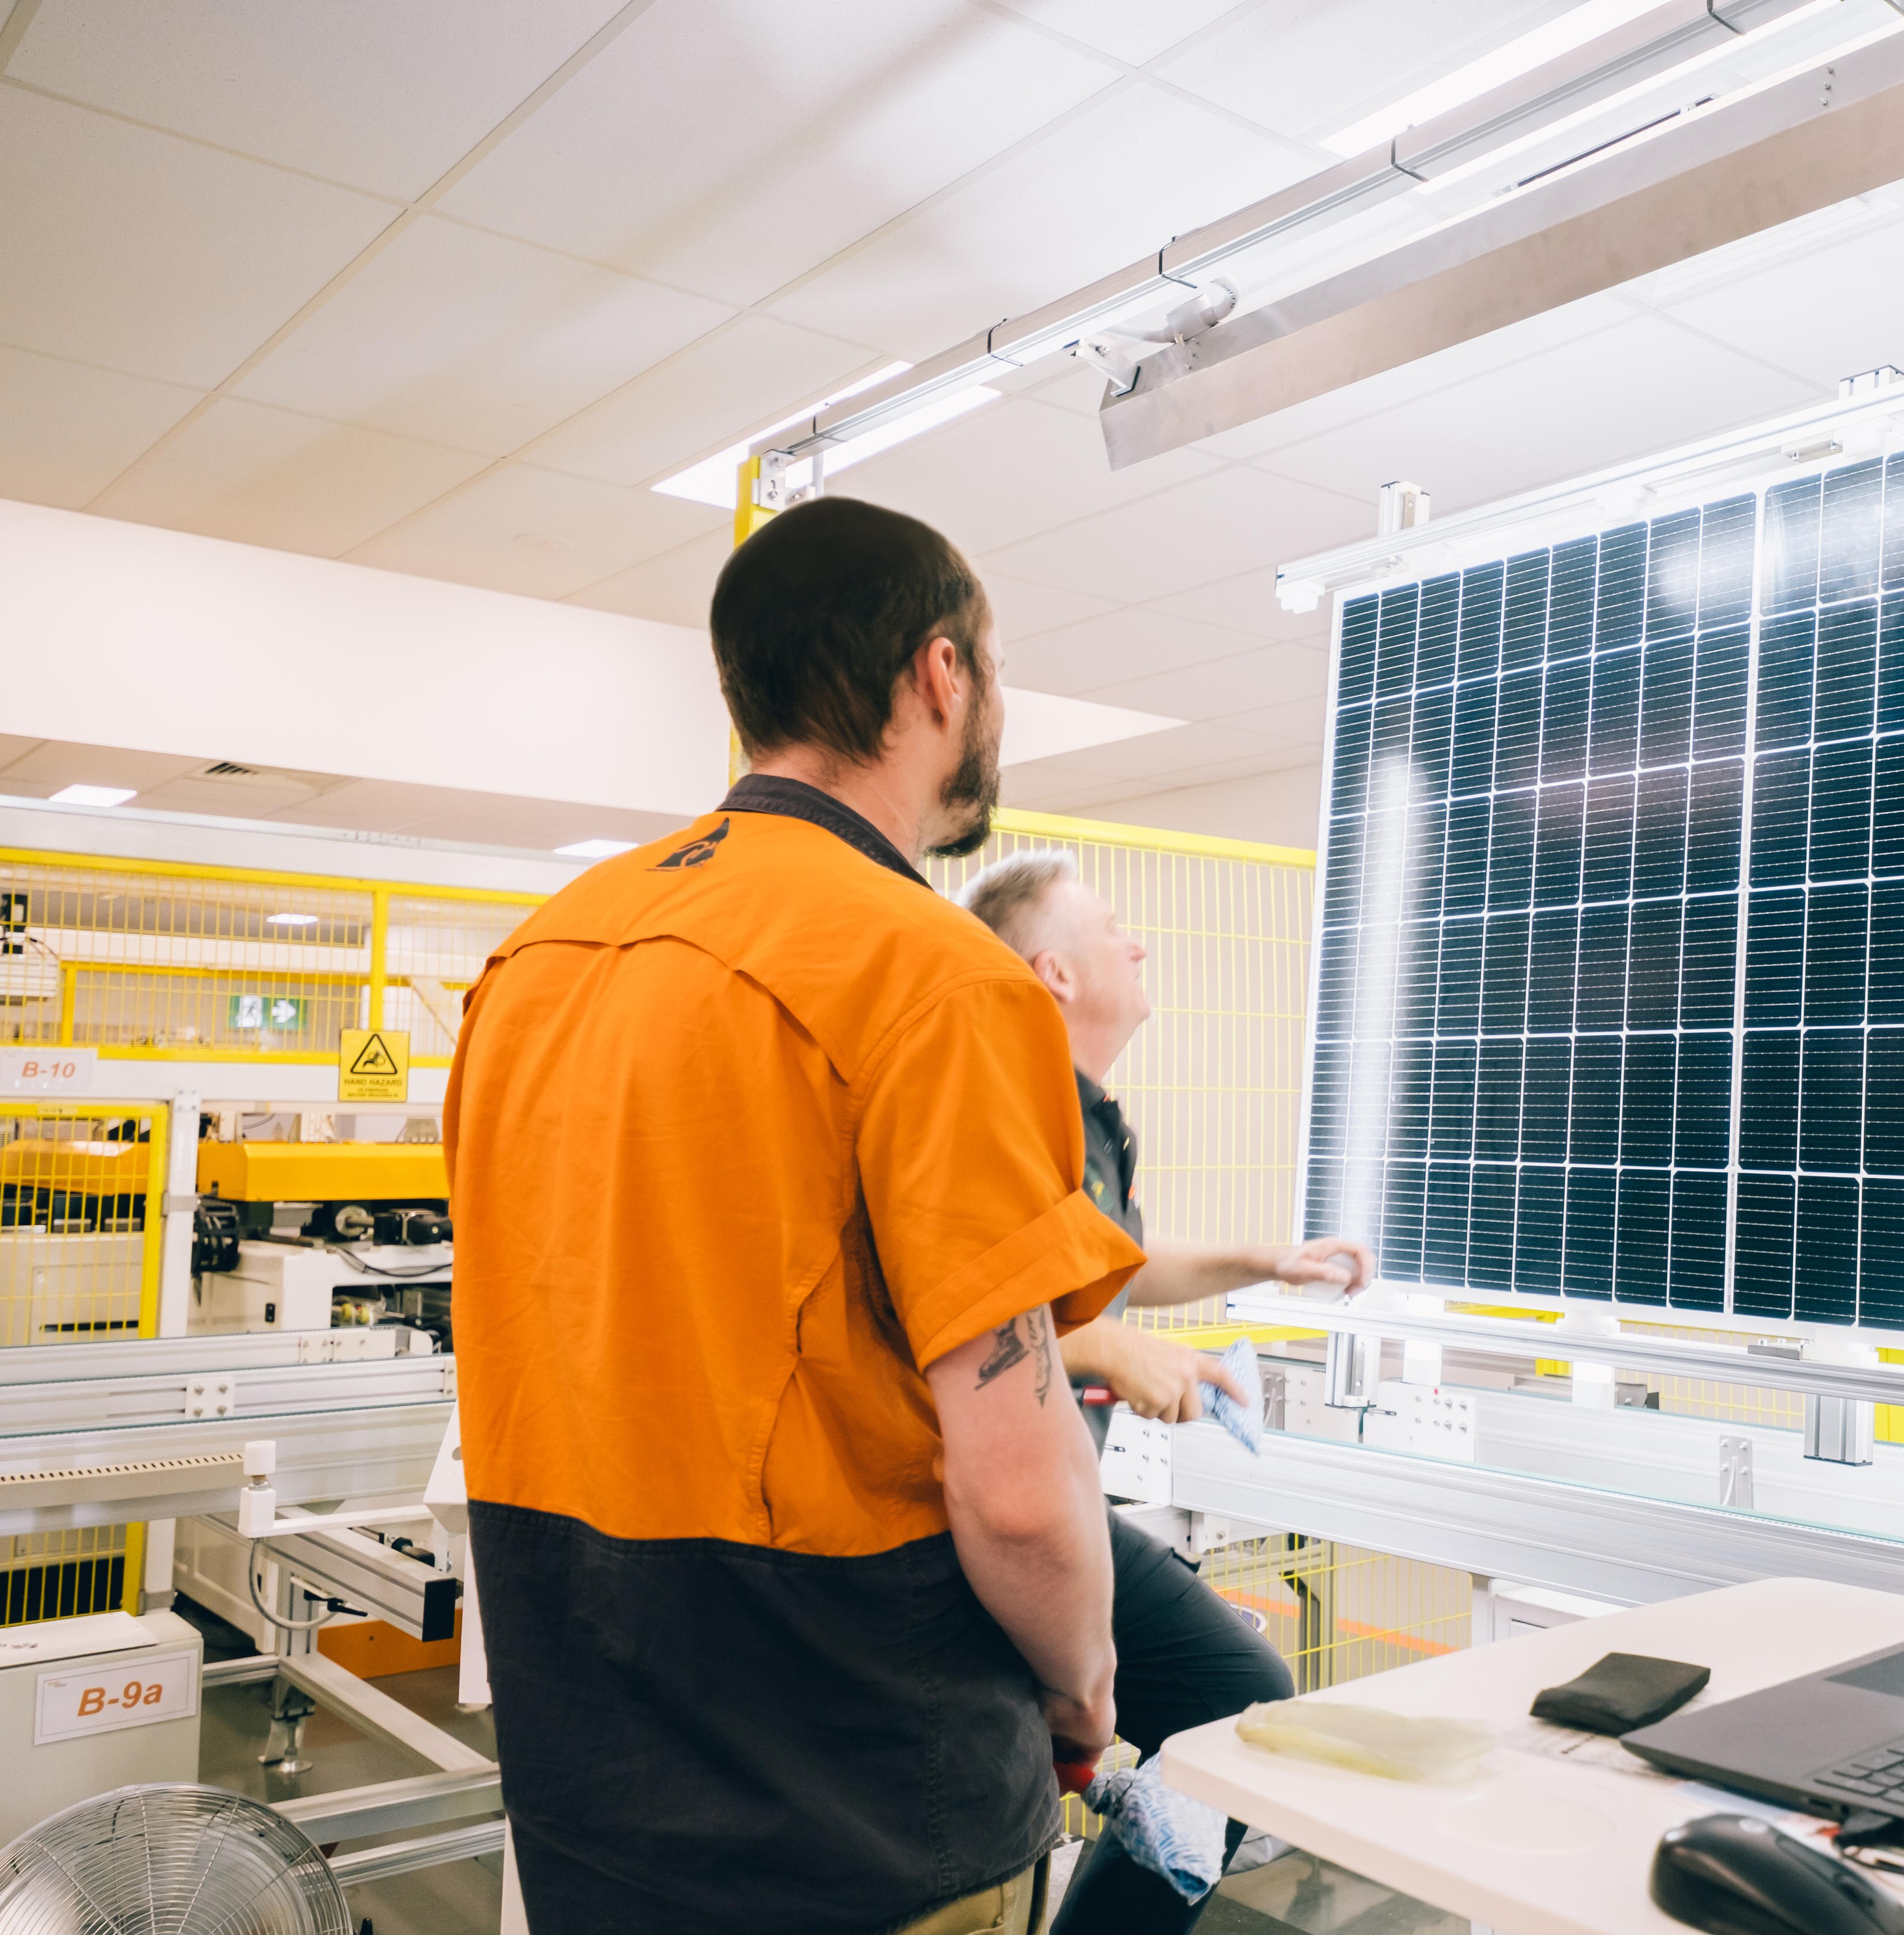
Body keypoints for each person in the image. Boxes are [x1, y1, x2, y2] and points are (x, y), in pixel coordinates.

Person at [447, 497, 1141, 1935]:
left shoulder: (538, 955)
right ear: (940, 674)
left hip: (589, 1776)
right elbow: (1018, 1486)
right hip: (858, 1807)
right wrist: (1082, 1686)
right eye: (991, 673)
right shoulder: (938, 979)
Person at [959, 852, 1373, 1934]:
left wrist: (1267, 1261)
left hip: (1066, 1502)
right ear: (1053, 970)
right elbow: (981, 1313)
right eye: (1111, 925)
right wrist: (1102, 1351)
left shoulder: (1088, 1117)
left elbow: (1108, 1270)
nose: (1137, 943)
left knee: (1237, 1699)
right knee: (1211, 1703)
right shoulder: (997, 1111)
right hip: (991, 1516)